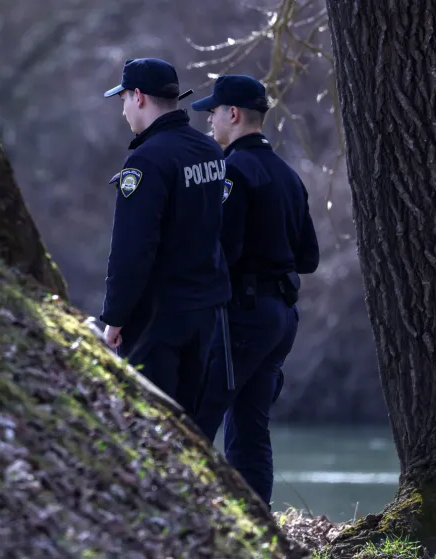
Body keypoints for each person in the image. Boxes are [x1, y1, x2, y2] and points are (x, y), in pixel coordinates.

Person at [187, 74, 320, 509]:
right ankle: (257, 526)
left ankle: (190, 516)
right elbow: (309, 259)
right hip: (281, 317)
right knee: (249, 427)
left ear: (233, 114)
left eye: (213, 112)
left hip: (241, 317)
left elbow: (224, 250)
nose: (209, 121)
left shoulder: (231, 171)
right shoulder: (288, 176)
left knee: (197, 417)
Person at [99, 57, 232, 406]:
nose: (124, 110)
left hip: (158, 316)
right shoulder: (209, 150)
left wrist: (115, 317)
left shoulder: (147, 160)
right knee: (189, 425)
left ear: (138, 97)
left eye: (123, 99)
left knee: (152, 420)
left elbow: (133, 247)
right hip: (205, 309)